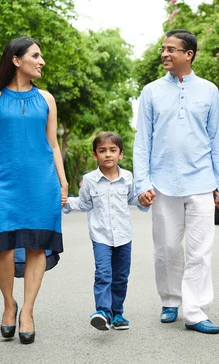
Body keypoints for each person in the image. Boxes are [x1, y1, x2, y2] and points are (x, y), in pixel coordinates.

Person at [0, 37, 68, 344]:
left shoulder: (47, 99)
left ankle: (27, 311)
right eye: (35, 56)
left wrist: (63, 181)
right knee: (3, 246)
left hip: (41, 182)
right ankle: (8, 303)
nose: (41, 61)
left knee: (38, 244)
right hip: (2, 182)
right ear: (16, 60)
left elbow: (53, 144)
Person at [133, 29, 219, 334]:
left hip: (201, 181)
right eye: (163, 49)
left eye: (171, 49)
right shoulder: (151, 91)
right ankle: (170, 300)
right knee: (166, 248)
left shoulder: (209, 90)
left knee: (200, 249)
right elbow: (142, 141)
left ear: (189, 54)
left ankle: (195, 311)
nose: (165, 54)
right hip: (163, 182)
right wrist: (142, 183)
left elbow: (216, 140)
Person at [62, 132, 150, 331]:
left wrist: (144, 200)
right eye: (102, 151)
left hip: (124, 236)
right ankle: (103, 312)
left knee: (121, 276)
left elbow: (132, 199)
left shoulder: (127, 177)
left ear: (120, 154)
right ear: (95, 155)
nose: (107, 155)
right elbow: (84, 203)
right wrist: (66, 203)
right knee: (103, 274)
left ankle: (117, 314)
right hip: (100, 236)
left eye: (112, 150)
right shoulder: (90, 180)